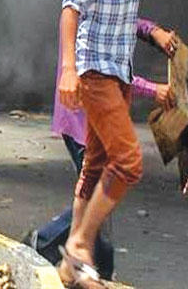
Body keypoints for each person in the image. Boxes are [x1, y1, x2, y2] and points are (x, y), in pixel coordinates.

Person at [57, 0, 164, 288]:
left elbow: (118, 13)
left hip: (117, 69)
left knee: (97, 163)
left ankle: (71, 265)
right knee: (128, 162)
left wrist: (152, 34)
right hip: (95, 69)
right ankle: (79, 245)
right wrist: (68, 67)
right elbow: (72, 4)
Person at [27, 17, 176, 279]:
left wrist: (154, 32)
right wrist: (153, 90)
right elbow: (104, 71)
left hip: (93, 116)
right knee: (101, 197)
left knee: (99, 196)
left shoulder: (108, 1)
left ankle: (59, 251)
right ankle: (62, 252)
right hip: (82, 117)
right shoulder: (83, 9)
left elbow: (126, 20)